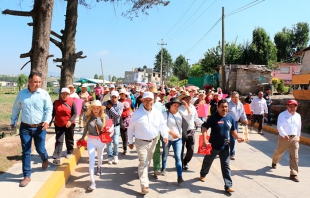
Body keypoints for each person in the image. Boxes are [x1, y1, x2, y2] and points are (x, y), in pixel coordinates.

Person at [10, 72, 53, 187]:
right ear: (29, 82)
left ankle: (44, 159)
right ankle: (27, 176)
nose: (38, 84)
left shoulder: (44, 94)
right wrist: (13, 121)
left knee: (40, 149)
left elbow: (49, 109)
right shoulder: (21, 94)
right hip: (25, 128)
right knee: (26, 152)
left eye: (39, 82)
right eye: (35, 82)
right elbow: (16, 108)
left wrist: (47, 121)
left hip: (40, 127)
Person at [128, 91, 169, 194]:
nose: (148, 102)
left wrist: (165, 136)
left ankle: (143, 174)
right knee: (143, 162)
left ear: (153, 101)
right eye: (146, 100)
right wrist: (130, 141)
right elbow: (130, 128)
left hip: (153, 141)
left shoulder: (157, 113)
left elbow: (162, 125)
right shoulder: (136, 114)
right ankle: (144, 186)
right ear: (142, 101)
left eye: (150, 100)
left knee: (148, 161)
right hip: (140, 142)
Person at [200, 99, 244, 193]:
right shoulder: (213, 118)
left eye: (226, 107)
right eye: (222, 107)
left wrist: (238, 137)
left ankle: (228, 185)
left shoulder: (230, 118)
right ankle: (203, 174)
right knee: (207, 162)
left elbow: (233, 131)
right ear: (217, 107)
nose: (224, 109)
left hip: (225, 147)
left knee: (226, 166)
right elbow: (204, 129)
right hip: (213, 146)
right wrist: (204, 140)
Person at [79, 100, 108, 190]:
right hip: (91, 140)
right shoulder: (87, 117)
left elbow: (107, 129)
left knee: (100, 157)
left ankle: (99, 167)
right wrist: (82, 138)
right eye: (94, 108)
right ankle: (92, 182)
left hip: (101, 141)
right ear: (91, 108)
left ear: (100, 109)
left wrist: (108, 137)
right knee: (92, 160)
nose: (96, 110)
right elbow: (85, 129)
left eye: (97, 108)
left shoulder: (104, 117)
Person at [271, 99, 301, 182]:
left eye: (294, 106)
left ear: (296, 107)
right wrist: (284, 135)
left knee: (295, 156)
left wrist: (298, 136)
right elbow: (279, 127)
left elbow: (298, 127)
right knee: (279, 152)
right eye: (290, 106)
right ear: (287, 106)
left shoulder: (298, 116)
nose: (292, 107)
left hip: (294, 138)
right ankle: (274, 161)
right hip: (284, 138)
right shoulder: (282, 115)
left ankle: (294, 173)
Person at [50, 88, 77, 165]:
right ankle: (57, 157)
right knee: (59, 140)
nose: (64, 95)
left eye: (66, 94)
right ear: (60, 94)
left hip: (69, 124)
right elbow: (53, 113)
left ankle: (69, 151)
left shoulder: (72, 102)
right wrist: (50, 121)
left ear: (69, 95)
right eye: (63, 94)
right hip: (59, 124)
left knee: (69, 139)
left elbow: (75, 113)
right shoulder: (56, 102)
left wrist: (70, 121)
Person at [178, 91, 203, 170]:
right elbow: (188, 117)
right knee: (180, 149)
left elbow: (195, 117)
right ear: (183, 100)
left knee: (191, 149)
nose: (188, 100)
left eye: (189, 98)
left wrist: (203, 123)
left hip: (191, 130)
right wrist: (187, 107)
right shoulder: (180, 108)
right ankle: (180, 163)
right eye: (186, 99)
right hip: (182, 131)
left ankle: (185, 161)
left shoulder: (192, 107)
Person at [162, 98, 184, 184]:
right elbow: (162, 125)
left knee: (178, 156)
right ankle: (164, 168)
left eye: (178, 105)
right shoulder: (165, 114)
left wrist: (187, 106)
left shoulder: (180, 114)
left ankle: (180, 176)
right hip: (167, 138)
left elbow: (190, 117)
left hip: (178, 138)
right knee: (165, 153)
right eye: (174, 105)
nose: (176, 107)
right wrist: (171, 133)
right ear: (170, 105)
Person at [103, 90, 124, 165]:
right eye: (112, 97)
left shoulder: (120, 105)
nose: (114, 99)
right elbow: (102, 114)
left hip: (116, 125)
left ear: (118, 97)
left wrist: (111, 108)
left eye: (115, 97)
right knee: (108, 142)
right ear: (110, 97)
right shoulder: (105, 103)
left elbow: (118, 115)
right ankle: (109, 156)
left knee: (116, 142)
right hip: (108, 126)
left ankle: (115, 155)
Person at [149, 86, 166, 176]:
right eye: (152, 94)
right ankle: (144, 167)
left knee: (156, 150)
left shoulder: (160, 106)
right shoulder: (143, 105)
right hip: (145, 132)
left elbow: (164, 120)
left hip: (157, 132)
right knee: (146, 151)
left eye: (155, 94)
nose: (154, 95)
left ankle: (156, 168)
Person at [228, 92, 248, 160]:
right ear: (232, 97)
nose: (236, 99)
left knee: (233, 138)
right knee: (229, 138)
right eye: (235, 97)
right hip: (228, 123)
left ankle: (231, 152)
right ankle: (228, 152)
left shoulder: (240, 104)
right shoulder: (228, 104)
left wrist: (245, 119)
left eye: (237, 97)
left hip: (236, 123)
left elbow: (242, 113)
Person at [119, 88, 131, 155]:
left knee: (125, 133)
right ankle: (124, 145)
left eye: (122, 94)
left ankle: (125, 147)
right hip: (120, 118)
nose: (121, 95)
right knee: (122, 133)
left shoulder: (128, 100)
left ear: (125, 94)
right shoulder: (118, 101)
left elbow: (127, 105)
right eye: (120, 94)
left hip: (126, 118)